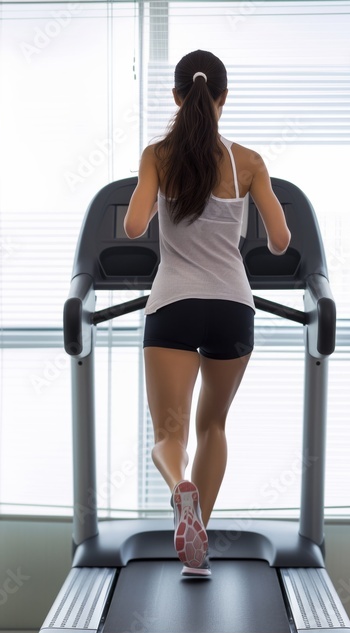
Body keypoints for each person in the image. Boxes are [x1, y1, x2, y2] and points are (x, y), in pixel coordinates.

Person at [122, 50, 291, 576]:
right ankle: (197, 553)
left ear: (177, 96)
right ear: (223, 97)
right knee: (212, 426)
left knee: (169, 437)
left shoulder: (158, 155)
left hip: (173, 304)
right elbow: (282, 242)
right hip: (233, 308)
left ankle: (181, 494)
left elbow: (131, 227)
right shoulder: (249, 162)